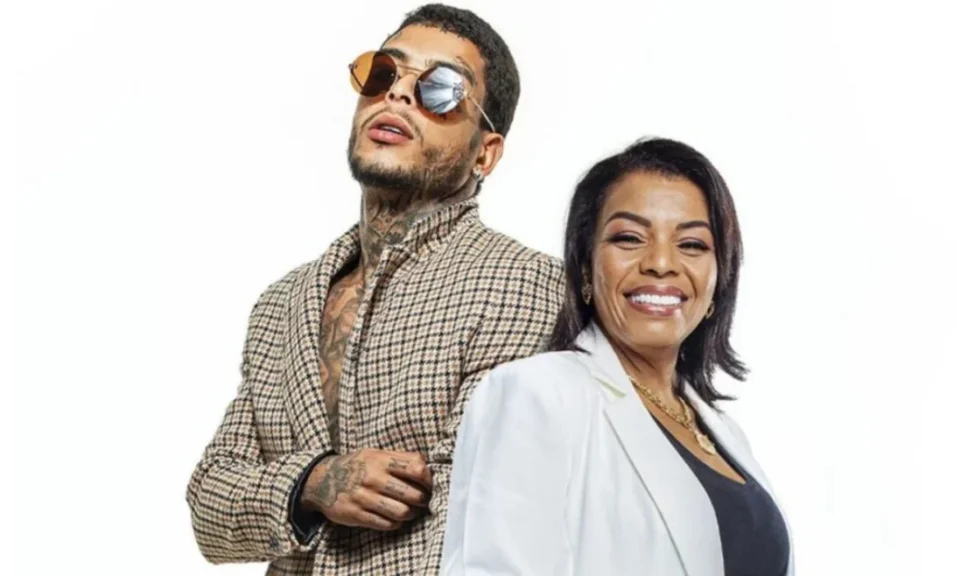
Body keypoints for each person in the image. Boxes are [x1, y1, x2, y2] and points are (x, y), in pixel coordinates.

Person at [184, 5, 564, 575]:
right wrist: (312, 483)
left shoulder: (524, 285)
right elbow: (209, 507)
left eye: (441, 88)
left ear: (485, 153)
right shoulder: (281, 304)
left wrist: (276, 492)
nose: (398, 94)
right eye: (382, 73)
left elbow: (479, 517)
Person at [440, 137, 794, 575]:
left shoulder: (725, 433)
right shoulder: (535, 394)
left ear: (718, 279)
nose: (661, 262)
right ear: (585, 269)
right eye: (629, 238)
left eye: (692, 244)